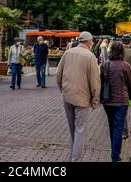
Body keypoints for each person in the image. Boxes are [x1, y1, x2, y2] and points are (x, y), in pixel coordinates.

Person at [56, 31, 101, 162]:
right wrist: (95, 100)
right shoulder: (90, 56)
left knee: (73, 130)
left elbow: (59, 74)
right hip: (83, 99)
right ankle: (76, 159)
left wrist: (63, 90)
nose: (92, 44)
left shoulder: (68, 52)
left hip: (68, 96)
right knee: (80, 131)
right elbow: (95, 82)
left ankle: (73, 156)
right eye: (92, 41)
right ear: (88, 42)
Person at [100, 41, 131, 162]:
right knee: (118, 128)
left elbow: (102, 82)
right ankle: (115, 156)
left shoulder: (105, 64)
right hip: (121, 101)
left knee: (112, 126)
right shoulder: (125, 65)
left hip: (108, 101)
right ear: (121, 52)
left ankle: (114, 152)